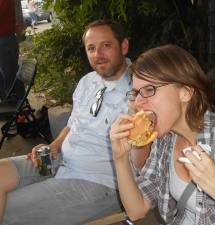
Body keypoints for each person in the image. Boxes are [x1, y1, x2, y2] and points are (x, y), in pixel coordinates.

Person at [110, 44, 215, 225]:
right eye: (135, 93)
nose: (138, 103)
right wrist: (120, 158)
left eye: (149, 90)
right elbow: (136, 210)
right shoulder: (165, 138)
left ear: (185, 93)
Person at [0, 19, 132, 225]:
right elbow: (73, 124)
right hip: (59, 160)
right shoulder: (88, 81)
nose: (98, 54)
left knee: (7, 210)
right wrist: (54, 146)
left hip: (99, 181)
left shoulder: (140, 91)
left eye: (106, 45)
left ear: (123, 46)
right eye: (91, 48)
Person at [0, 0, 25, 101]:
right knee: (7, 75)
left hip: (5, 40)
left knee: (9, 75)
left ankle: (16, 105)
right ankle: (11, 103)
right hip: (5, 40)